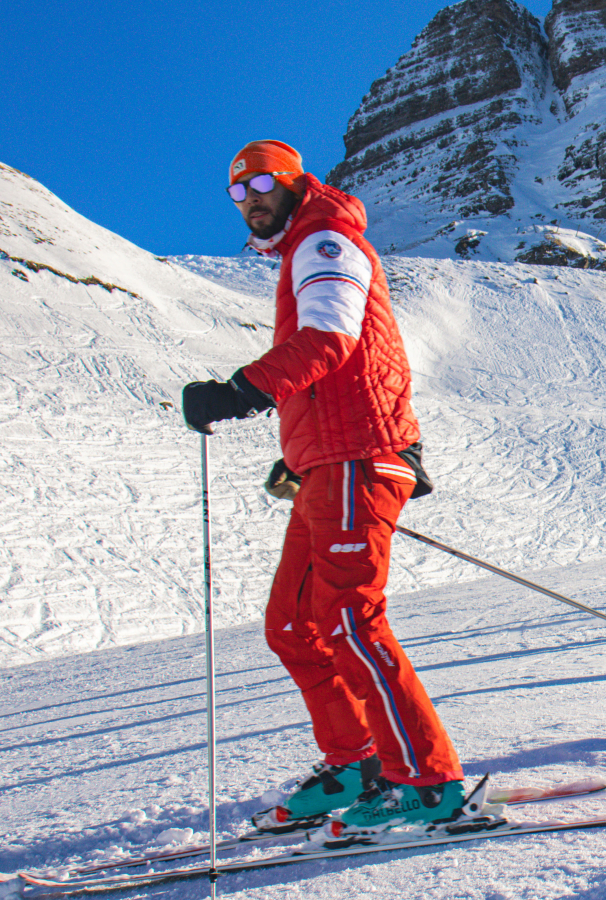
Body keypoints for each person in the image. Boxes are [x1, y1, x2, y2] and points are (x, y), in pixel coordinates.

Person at [181, 140, 466, 841]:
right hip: (328, 463)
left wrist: (237, 392)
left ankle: (428, 782)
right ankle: (356, 763)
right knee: (293, 624)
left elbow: (331, 342)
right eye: (237, 190)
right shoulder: (304, 249)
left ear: (295, 181)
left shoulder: (326, 242)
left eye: (264, 182)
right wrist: (299, 456)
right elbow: (342, 367)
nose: (251, 198)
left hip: (356, 459)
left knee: (348, 620)